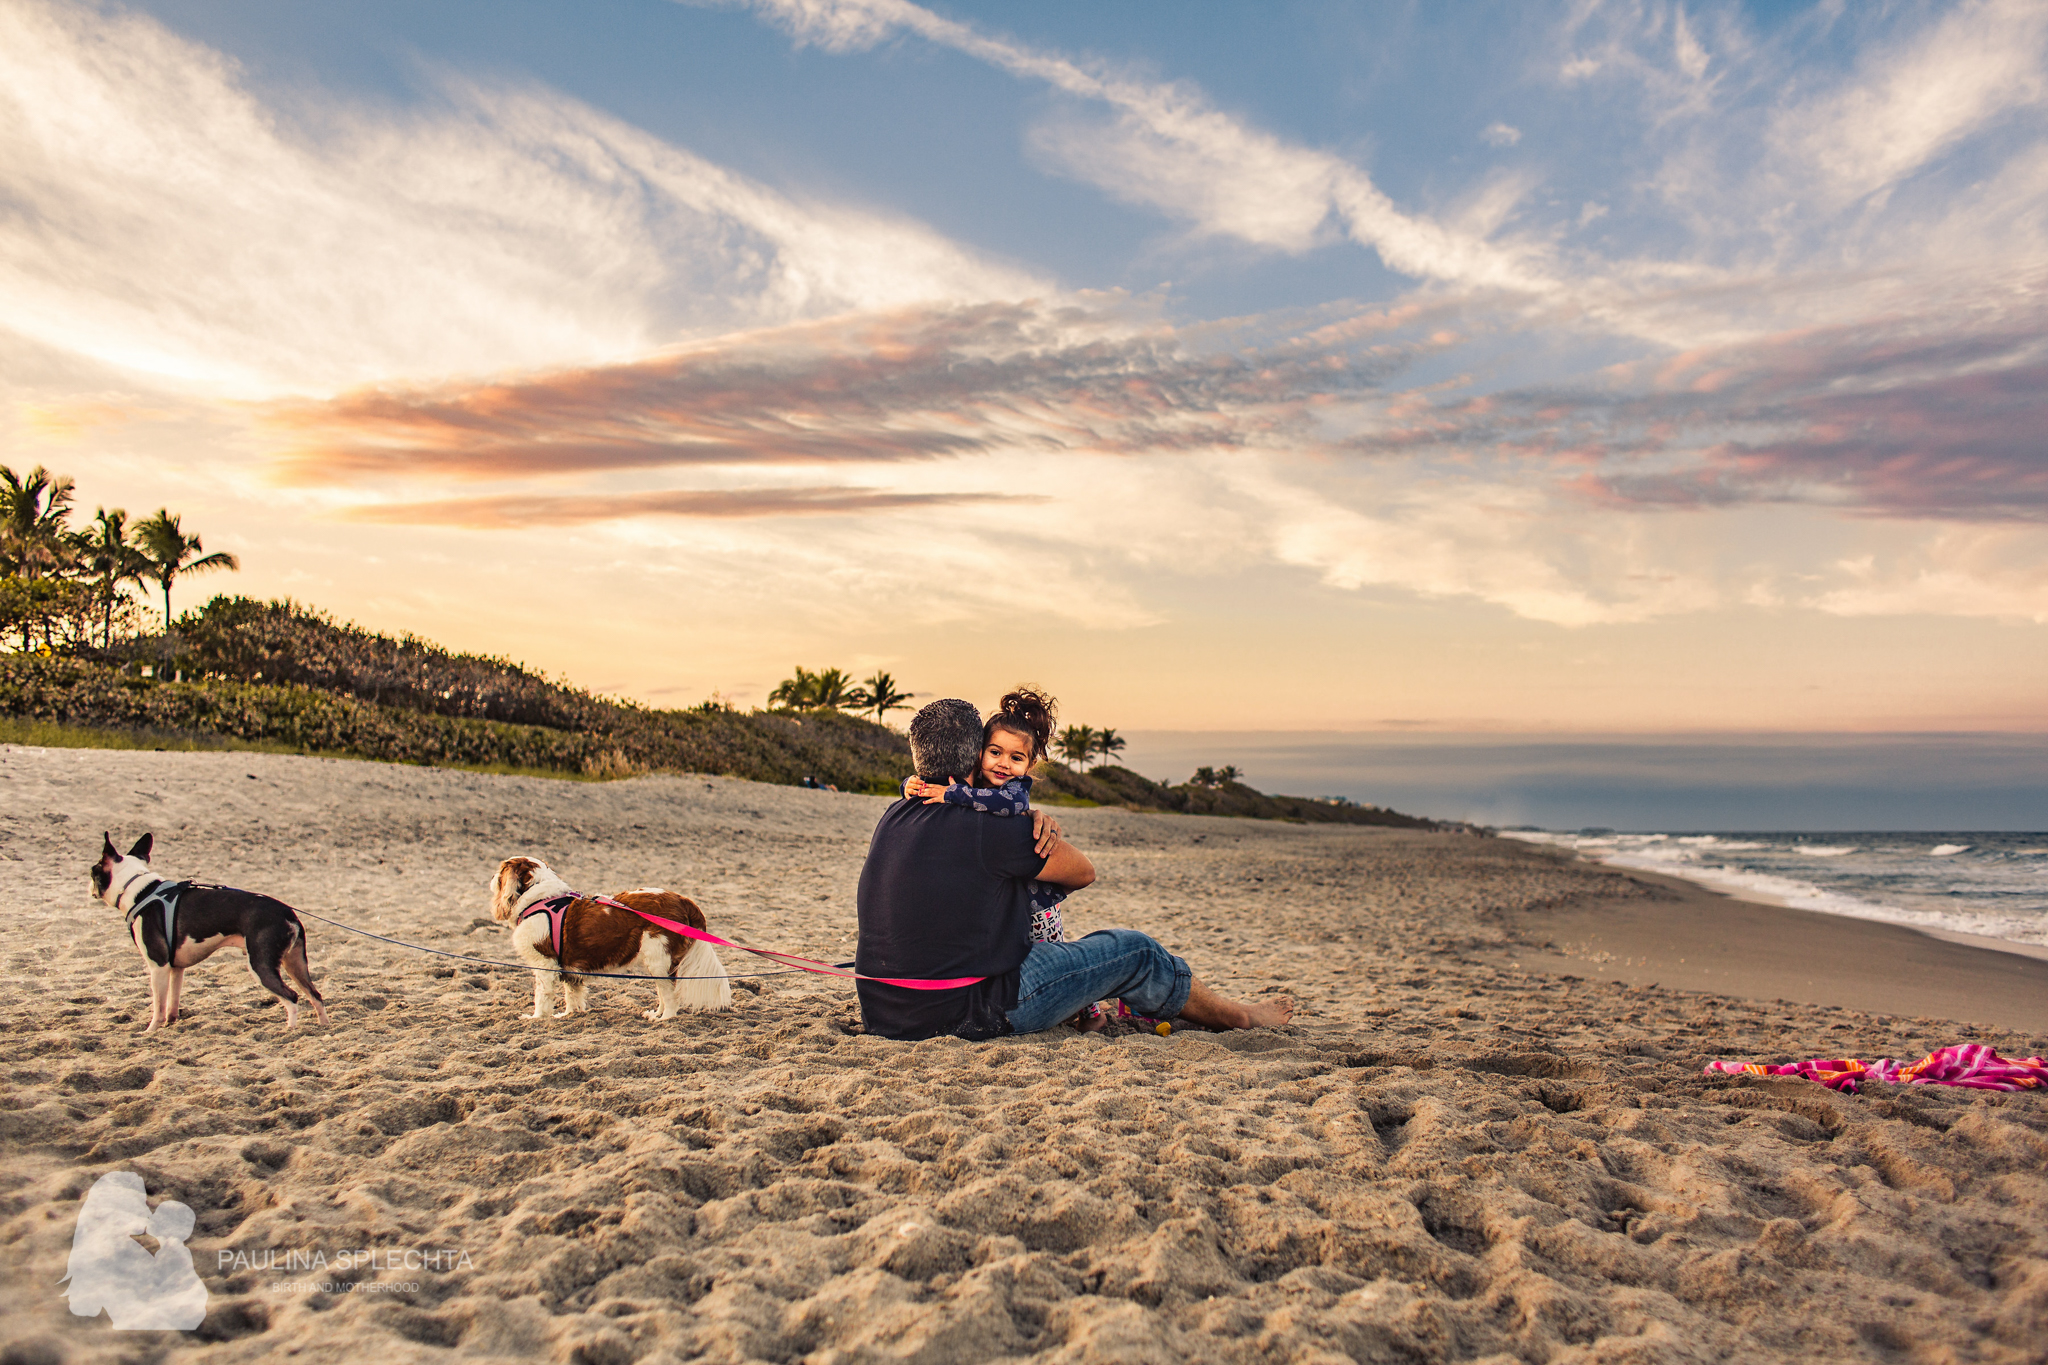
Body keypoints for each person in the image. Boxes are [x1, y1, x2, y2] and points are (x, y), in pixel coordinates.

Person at [855, 696, 1293, 1041]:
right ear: (974, 759)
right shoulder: (988, 830)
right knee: (1134, 950)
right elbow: (1082, 871)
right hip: (966, 1012)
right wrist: (1027, 823)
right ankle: (1239, 1018)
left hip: (885, 1009)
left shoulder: (895, 814)